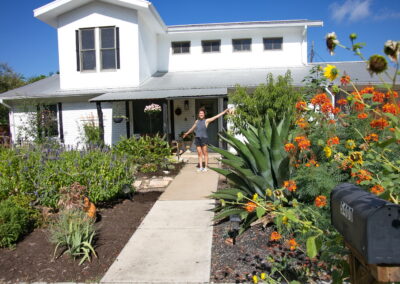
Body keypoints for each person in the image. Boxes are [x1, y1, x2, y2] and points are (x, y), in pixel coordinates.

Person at [183, 107, 229, 172]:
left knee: (205, 153)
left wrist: (224, 112)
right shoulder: (196, 121)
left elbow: (216, 117)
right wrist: (186, 133)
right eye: (200, 113)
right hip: (197, 138)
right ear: (198, 114)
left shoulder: (206, 121)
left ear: (204, 114)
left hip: (204, 139)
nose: (201, 114)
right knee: (199, 153)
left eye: (202, 113)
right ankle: (200, 167)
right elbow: (192, 128)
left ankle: (206, 167)